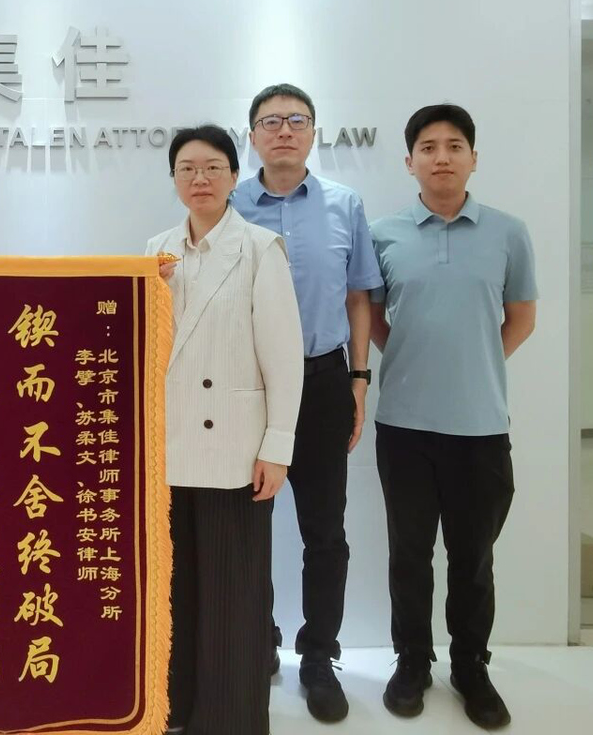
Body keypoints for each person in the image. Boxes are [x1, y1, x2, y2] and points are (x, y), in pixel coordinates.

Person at [370, 104, 537, 730]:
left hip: (481, 427)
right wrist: (417, 359)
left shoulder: (508, 232)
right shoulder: (383, 234)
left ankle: (471, 667)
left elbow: (522, 317)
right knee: (409, 555)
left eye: (454, 145)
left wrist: (475, 364)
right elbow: (374, 317)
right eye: (428, 146)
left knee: (473, 558)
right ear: (409, 161)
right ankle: (412, 661)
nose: (441, 156)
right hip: (404, 427)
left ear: (473, 158)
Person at [232, 83, 382, 722]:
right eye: (271, 121)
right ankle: (257, 640)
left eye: (297, 120)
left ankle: (318, 655)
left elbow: (358, 297)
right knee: (248, 526)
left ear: (313, 132)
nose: (284, 130)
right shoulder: (230, 205)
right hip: (247, 386)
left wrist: (359, 377)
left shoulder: (345, 204)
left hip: (322, 383)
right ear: (253, 137)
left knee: (325, 530)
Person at [147, 125, 303, 735]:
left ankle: (230, 720)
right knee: (177, 588)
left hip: (235, 447)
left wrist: (277, 447)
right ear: (173, 180)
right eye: (187, 168)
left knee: (233, 594)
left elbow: (284, 360)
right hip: (168, 445)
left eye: (213, 167)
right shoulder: (156, 250)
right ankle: (176, 707)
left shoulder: (261, 249)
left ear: (235, 176)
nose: (200, 179)